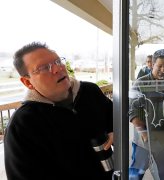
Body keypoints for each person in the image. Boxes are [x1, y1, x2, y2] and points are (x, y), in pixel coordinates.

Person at [4, 42, 114, 180]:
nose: (57, 68)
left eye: (57, 61)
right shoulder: (22, 125)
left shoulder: (89, 91)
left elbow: (112, 115)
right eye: (44, 68)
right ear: (27, 82)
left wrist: (113, 129)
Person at [129, 49, 164, 180]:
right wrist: (144, 133)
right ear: (152, 64)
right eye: (160, 66)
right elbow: (132, 110)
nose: (163, 69)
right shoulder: (141, 83)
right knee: (135, 174)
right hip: (143, 140)